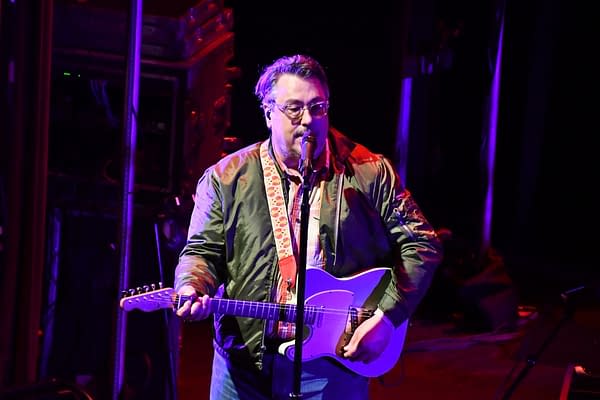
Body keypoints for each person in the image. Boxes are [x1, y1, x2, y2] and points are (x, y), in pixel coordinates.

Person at [174, 54, 443, 399]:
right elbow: (202, 251)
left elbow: (423, 244)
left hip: (332, 366)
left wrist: (388, 316)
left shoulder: (368, 172)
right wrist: (192, 283)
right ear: (268, 112)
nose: (308, 120)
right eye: (294, 108)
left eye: (318, 107)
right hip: (244, 366)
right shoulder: (226, 178)